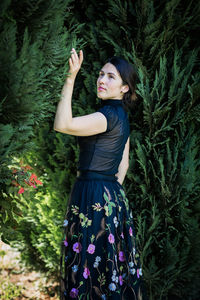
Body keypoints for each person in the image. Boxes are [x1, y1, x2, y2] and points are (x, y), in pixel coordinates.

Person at [54, 48, 142, 300]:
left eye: (111, 77)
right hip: (111, 196)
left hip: (91, 192)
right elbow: (122, 165)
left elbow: (63, 124)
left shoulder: (107, 116)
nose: (101, 80)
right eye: (101, 74)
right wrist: (109, 199)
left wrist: (70, 78)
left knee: (86, 267)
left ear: (125, 88)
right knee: (105, 266)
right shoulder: (122, 117)